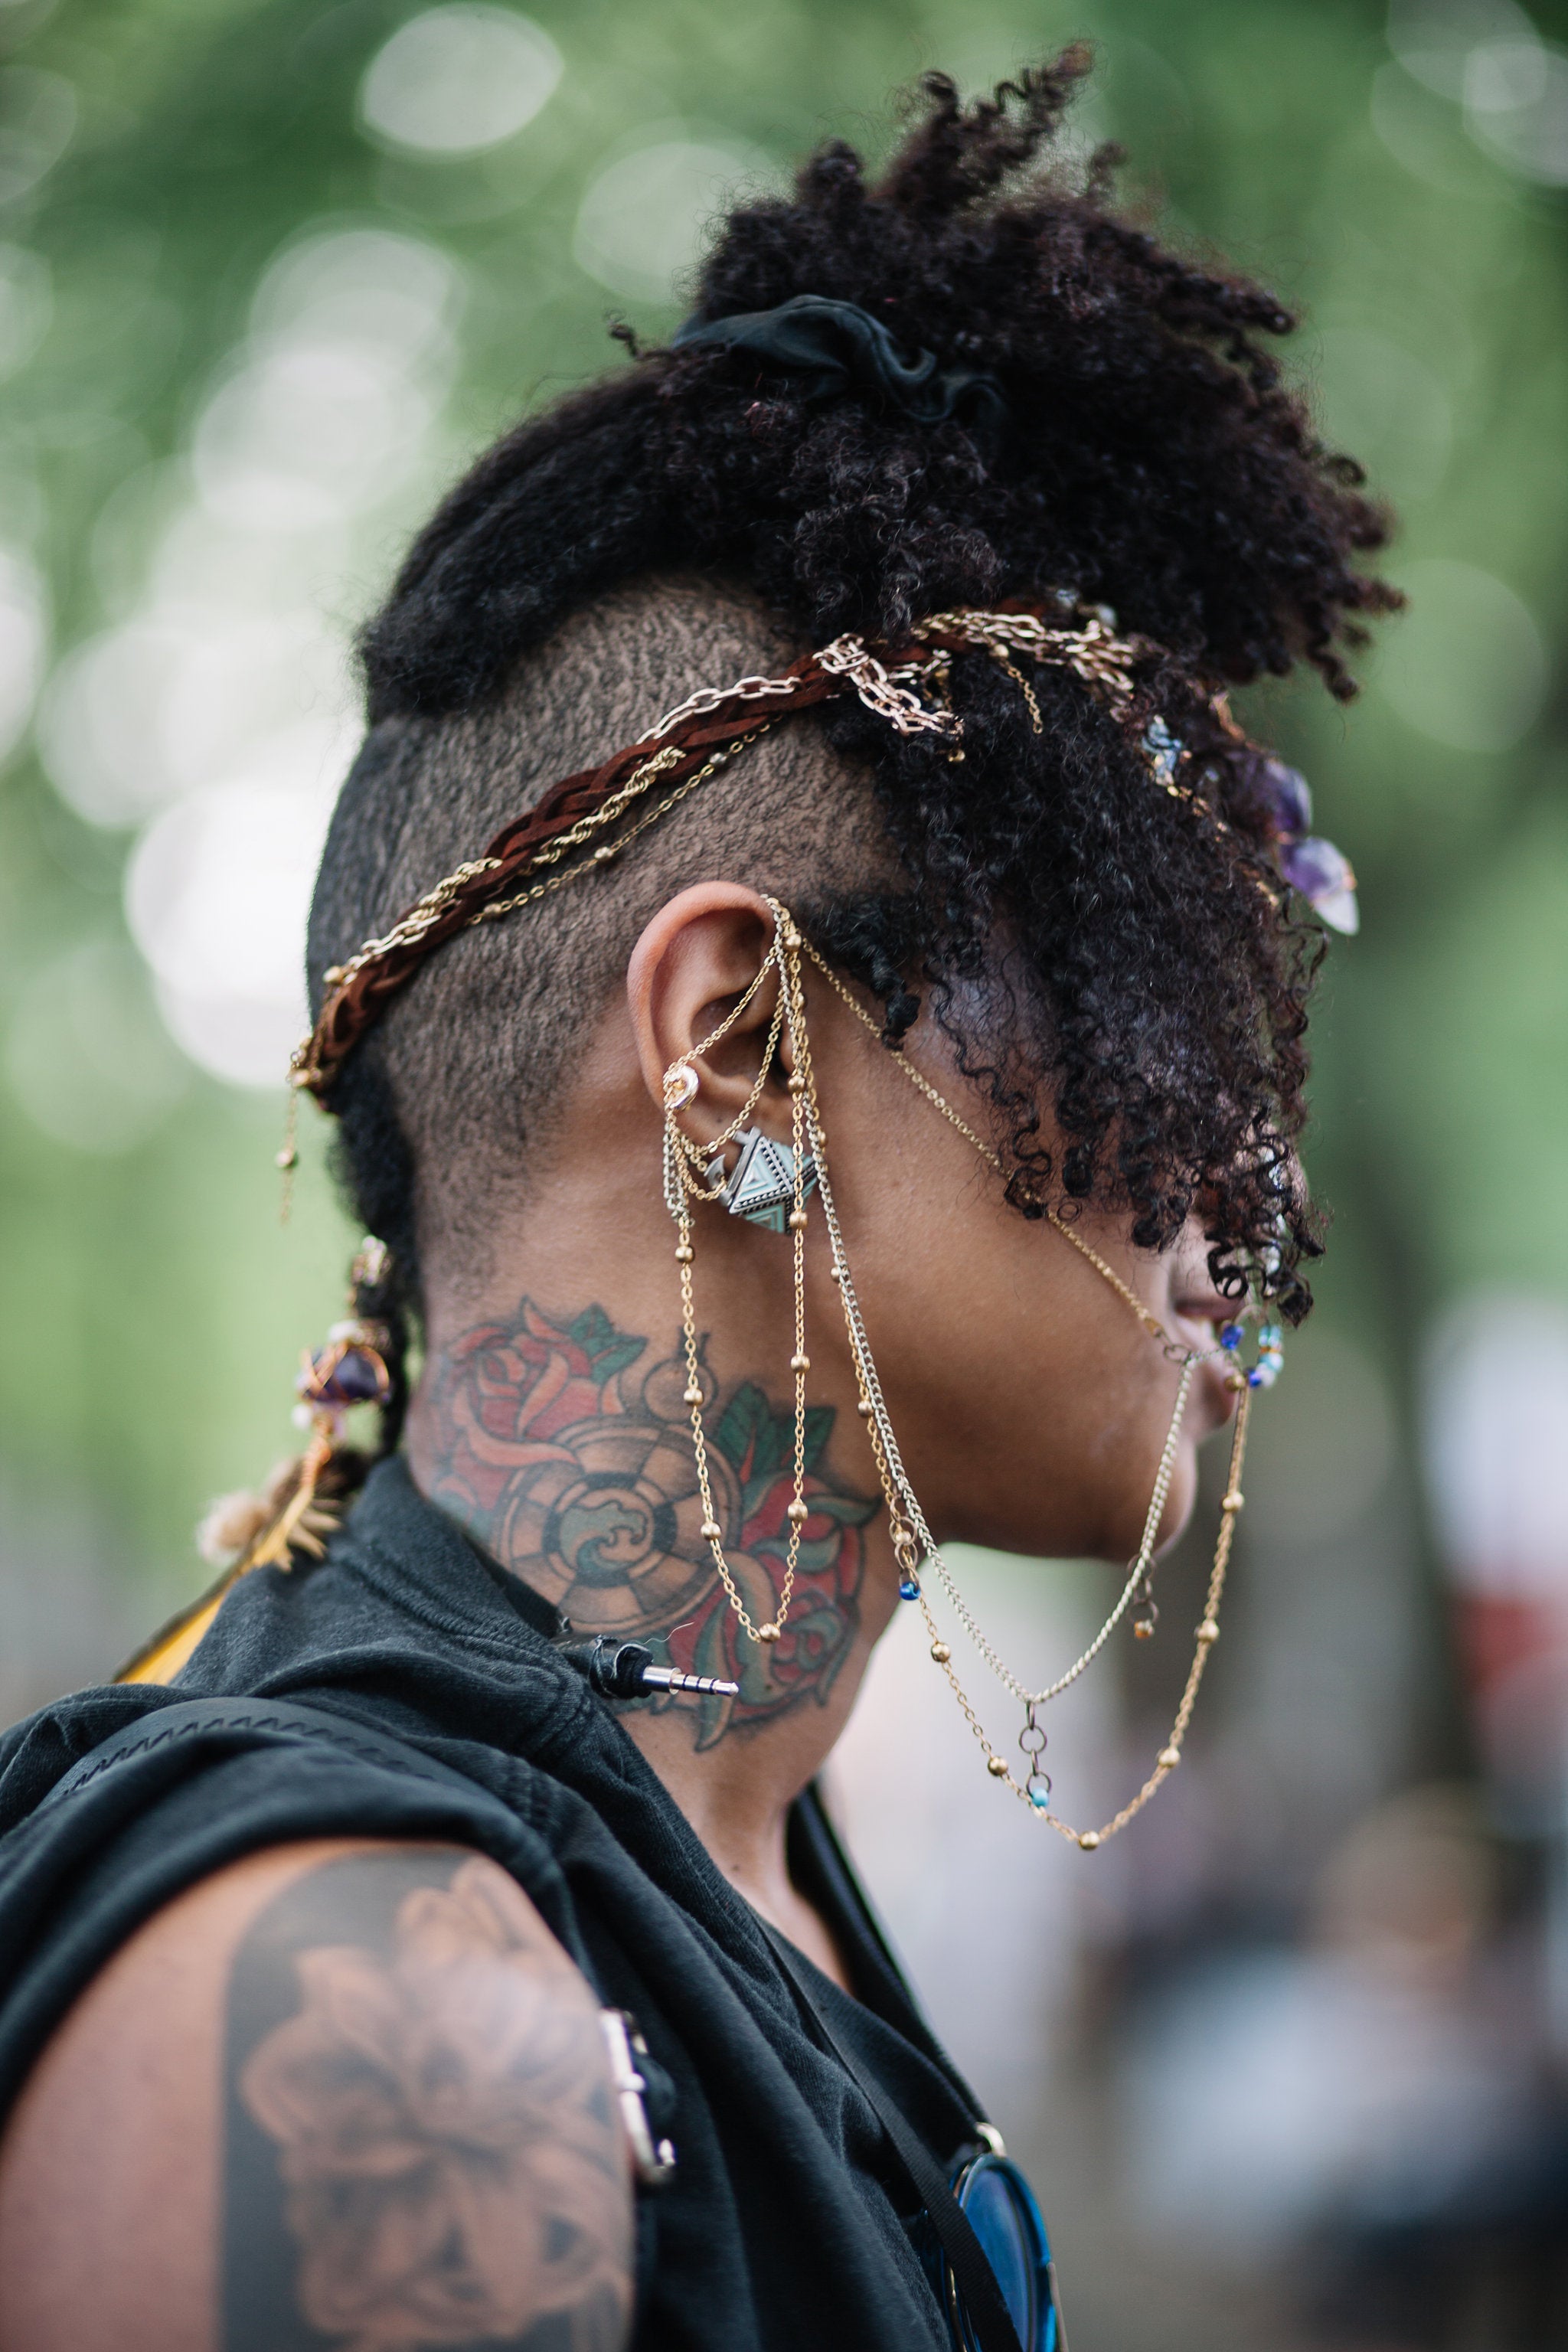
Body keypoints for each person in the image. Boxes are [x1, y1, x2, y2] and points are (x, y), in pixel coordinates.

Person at [0, 52, 1393, 2352]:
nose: (1249, 1172)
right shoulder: (384, 2012)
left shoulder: (731, 1854)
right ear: (744, 1044)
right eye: (1147, 978)